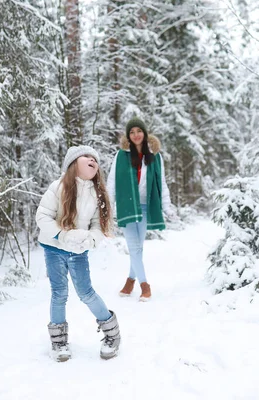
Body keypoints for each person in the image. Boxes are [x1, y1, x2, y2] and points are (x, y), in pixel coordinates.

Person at [36, 145, 120, 362]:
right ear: (73, 163)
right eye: (87, 156)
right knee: (59, 293)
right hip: (54, 248)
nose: (93, 159)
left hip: (78, 252)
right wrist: (62, 236)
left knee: (85, 292)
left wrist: (90, 240)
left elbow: (98, 224)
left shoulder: (97, 193)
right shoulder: (58, 187)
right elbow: (43, 217)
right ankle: (58, 341)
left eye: (95, 158)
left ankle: (112, 334)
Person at [107, 117, 173, 302]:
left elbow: (161, 182)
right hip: (127, 206)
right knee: (134, 247)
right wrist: (109, 206)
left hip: (145, 205)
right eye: (132, 132)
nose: (136, 135)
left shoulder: (155, 156)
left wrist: (167, 206)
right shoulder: (121, 156)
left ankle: (130, 281)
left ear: (145, 133)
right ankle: (145, 286)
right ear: (128, 136)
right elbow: (112, 181)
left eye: (139, 131)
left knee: (138, 248)